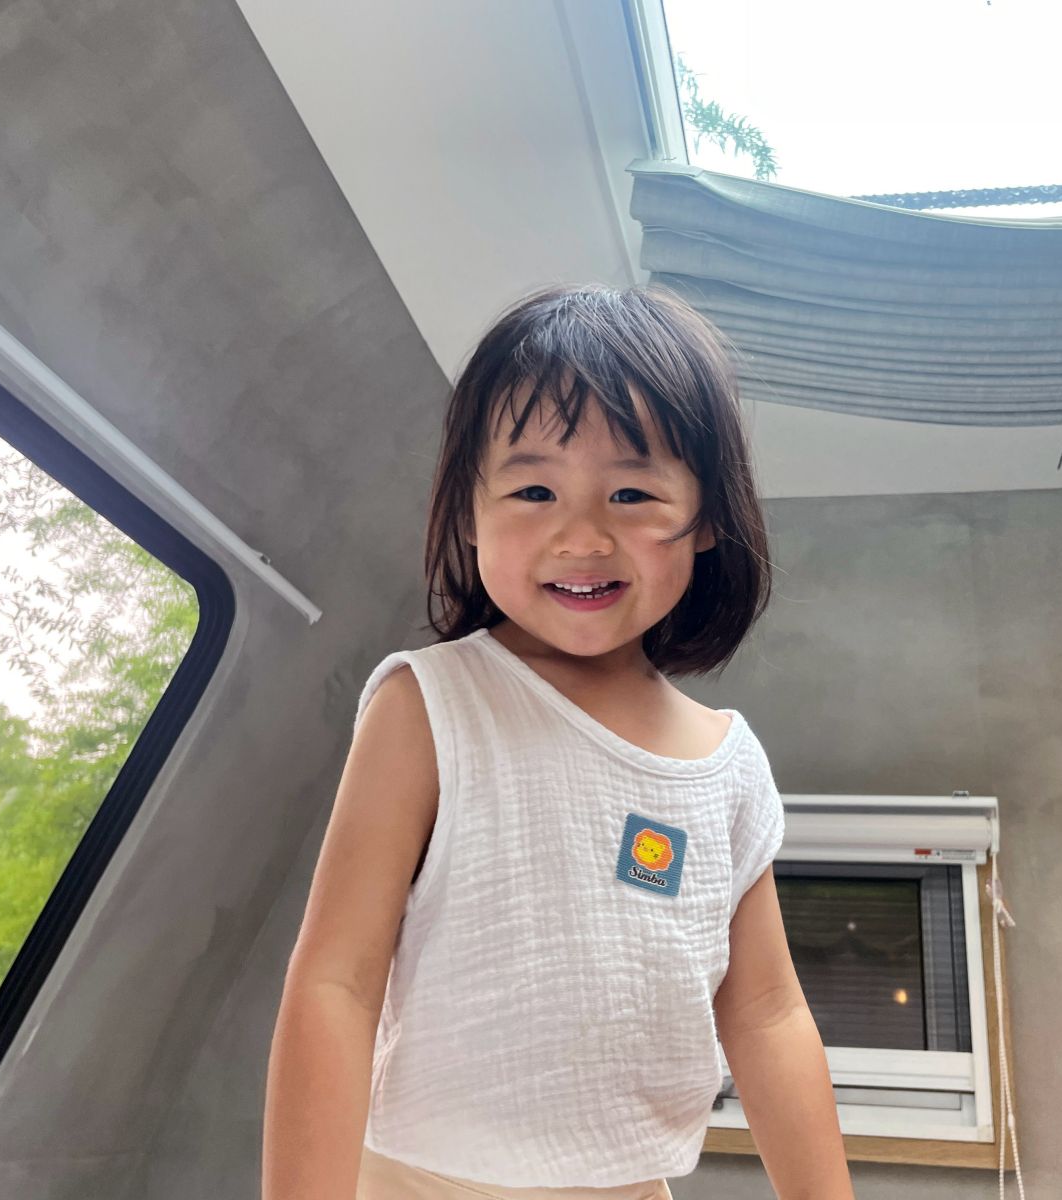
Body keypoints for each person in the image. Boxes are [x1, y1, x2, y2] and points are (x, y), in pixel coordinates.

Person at [263, 283, 802, 1200]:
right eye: (533, 490)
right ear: (469, 513)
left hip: (633, 1186)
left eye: (631, 492)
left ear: (707, 515)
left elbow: (766, 1014)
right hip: (419, 1181)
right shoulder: (429, 703)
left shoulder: (728, 764)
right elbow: (335, 986)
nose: (581, 535)